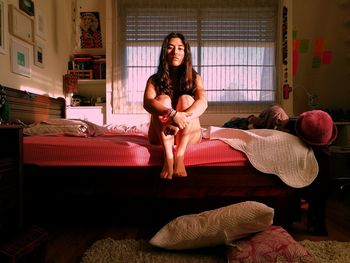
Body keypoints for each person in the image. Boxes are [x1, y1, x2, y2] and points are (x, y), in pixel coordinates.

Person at [143, 32, 208, 180]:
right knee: (163, 99)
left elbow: (203, 102)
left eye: (180, 48)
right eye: (170, 47)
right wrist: (173, 114)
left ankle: (179, 156)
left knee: (186, 99)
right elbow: (147, 103)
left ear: (186, 53)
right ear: (164, 51)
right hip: (160, 133)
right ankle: (168, 157)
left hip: (188, 133)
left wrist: (179, 123)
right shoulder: (154, 79)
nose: (175, 52)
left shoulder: (195, 77)